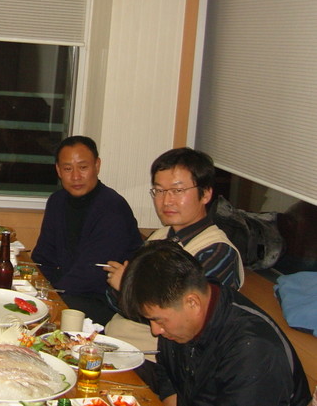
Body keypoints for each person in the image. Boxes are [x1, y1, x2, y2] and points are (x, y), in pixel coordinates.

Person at [119, 240, 310, 406]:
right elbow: (167, 371)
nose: (155, 330)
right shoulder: (180, 319)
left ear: (192, 303)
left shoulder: (254, 351)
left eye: (158, 320)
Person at [104, 147, 244, 371]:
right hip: (118, 345)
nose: (166, 201)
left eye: (178, 191)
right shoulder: (159, 238)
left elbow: (183, 320)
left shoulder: (217, 251)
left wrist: (126, 289)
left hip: (160, 363)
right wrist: (127, 291)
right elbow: (113, 298)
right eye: (159, 191)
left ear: (206, 194)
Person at [31, 135, 141, 324]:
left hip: (102, 301)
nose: (75, 176)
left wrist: (51, 296)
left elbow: (92, 274)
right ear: (58, 170)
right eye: (68, 169)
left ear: (97, 166)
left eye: (83, 167)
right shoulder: (57, 201)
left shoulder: (113, 208)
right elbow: (43, 257)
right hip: (65, 292)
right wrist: (39, 289)